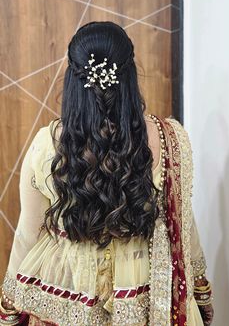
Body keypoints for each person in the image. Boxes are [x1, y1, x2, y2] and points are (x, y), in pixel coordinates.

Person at [0, 21, 214, 326]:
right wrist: (201, 292)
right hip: (149, 305)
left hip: (72, 301)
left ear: (72, 80)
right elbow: (183, 222)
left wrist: (8, 310)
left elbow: (27, 233)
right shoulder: (171, 139)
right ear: (129, 77)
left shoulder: (47, 145)